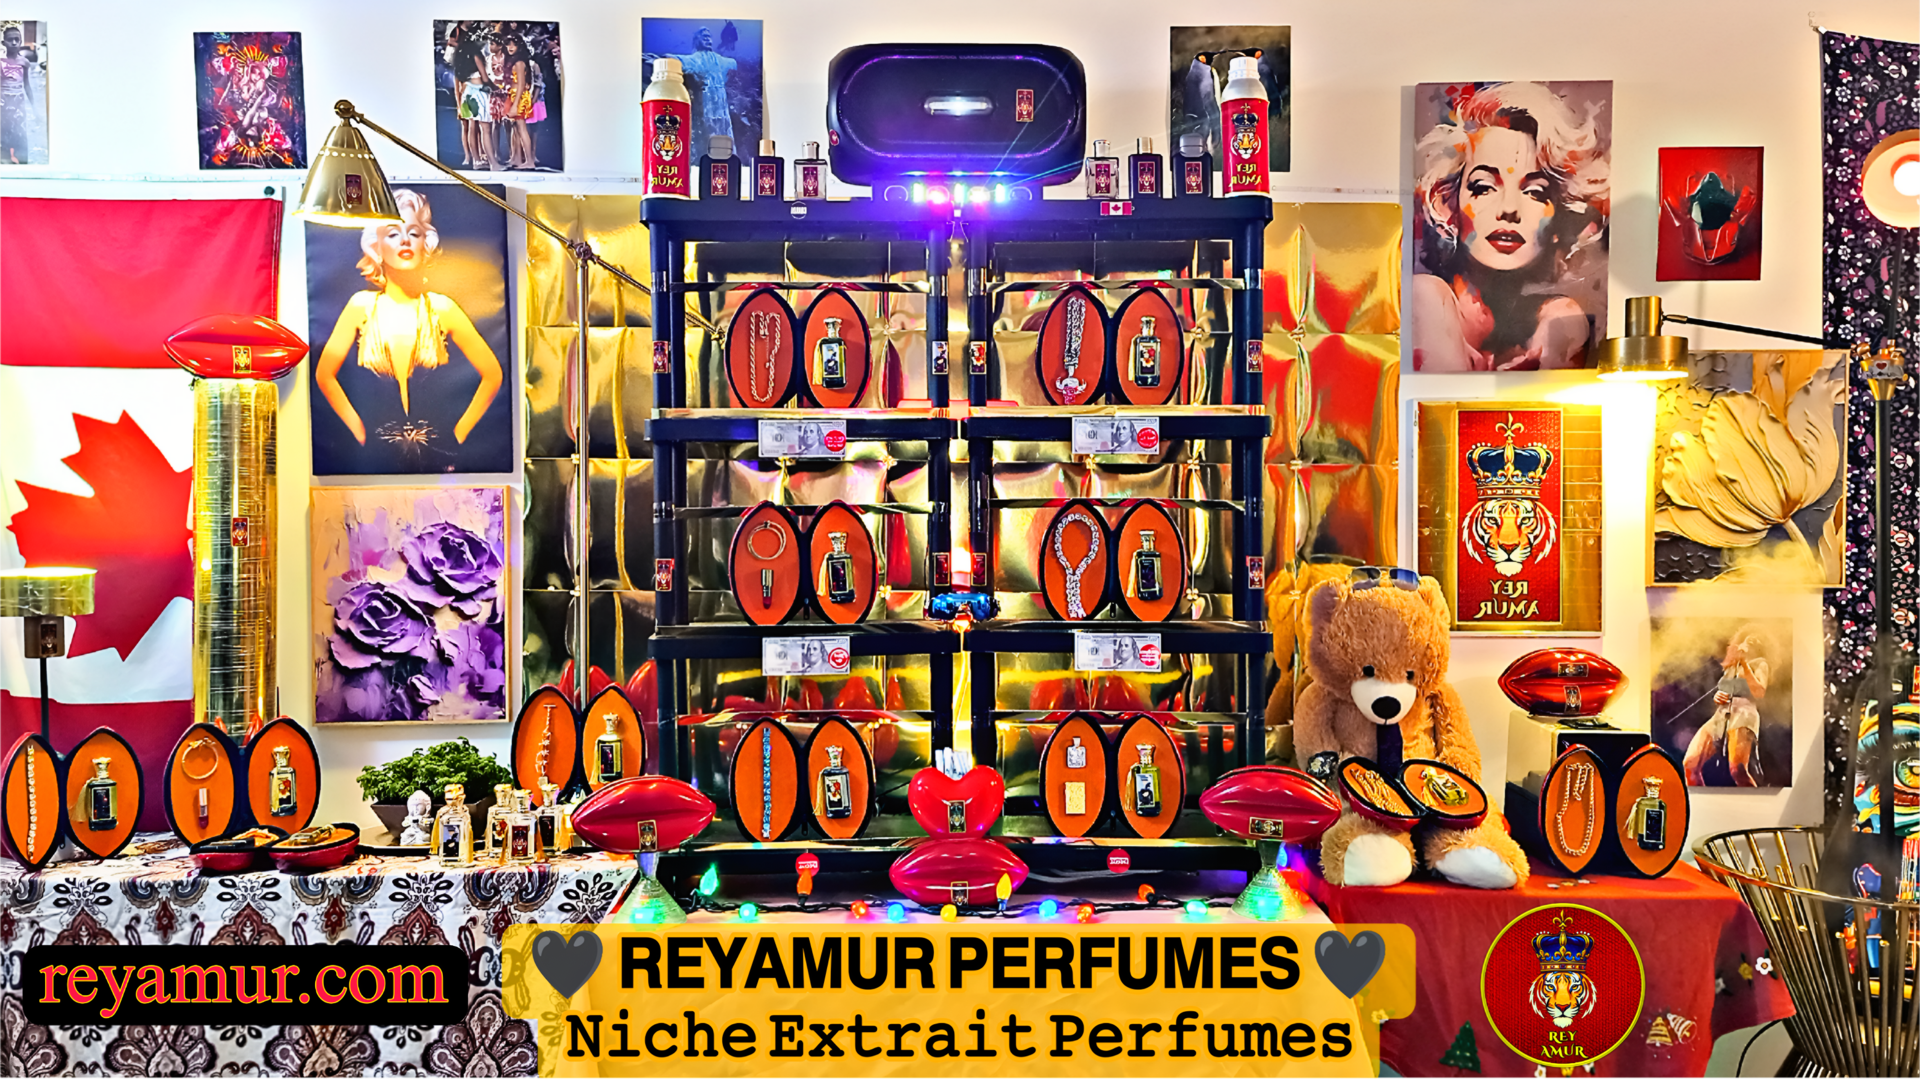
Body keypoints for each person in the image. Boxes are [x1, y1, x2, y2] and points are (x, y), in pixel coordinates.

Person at [1410, 82, 1609, 371]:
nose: (1509, 209)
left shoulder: (1561, 318)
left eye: (1535, 192)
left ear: (1560, 218)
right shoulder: (1425, 296)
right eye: (1484, 187)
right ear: (1448, 205)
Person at [313, 189, 503, 469]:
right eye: (393, 234)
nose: (405, 240)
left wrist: (458, 434)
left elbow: (493, 374)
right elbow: (324, 374)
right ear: (376, 247)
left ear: (425, 243)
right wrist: (360, 432)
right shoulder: (361, 306)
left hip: (439, 459)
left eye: (413, 233)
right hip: (374, 460)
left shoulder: (442, 308)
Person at [1684, 625, 1773, 787]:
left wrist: (1744, 664)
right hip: (1721, 714)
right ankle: (1698, 797)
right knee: (1691, 763)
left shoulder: (1760, 664)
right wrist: (1718, 696)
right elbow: (1724, 690)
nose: (1751, 642)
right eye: (1748, 639)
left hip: (1743, 713)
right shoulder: (1731, 667)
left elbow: (1759, 691)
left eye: (1755, 641)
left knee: (1738, 770)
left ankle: (1753, 799)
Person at [662, 25, 739, 145]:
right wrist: (664, 59)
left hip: (721, 106)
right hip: (705, 103)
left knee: (724, 132)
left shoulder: (719, 60)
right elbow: (680, 60)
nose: (708, 39)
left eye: (709, 37)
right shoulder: (696, 59)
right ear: (697, 40)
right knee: (707, 135)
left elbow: (732, 63)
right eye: (704, 37)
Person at [0, 23, 36, 165]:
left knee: (19, 134)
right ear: (3, 43)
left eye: (17, 39)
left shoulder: (24, 62)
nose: (14, 42)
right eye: (10, 39)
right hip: (2, 105)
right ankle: (4, 165)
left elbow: (26, 85)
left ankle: (21, 164)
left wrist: (34, 108)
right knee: (3, 134)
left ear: (21, 42)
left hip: (18, 106)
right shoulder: (0, 62)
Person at [502, 34, 535, 169]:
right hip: (513, 94)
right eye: (508, 44)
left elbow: (521, 84)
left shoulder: (520, 63)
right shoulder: (513, 61)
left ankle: (529, 161)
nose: (510, 47)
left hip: (519, 96)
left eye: (514, 44)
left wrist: (515, 105)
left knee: (521, 128)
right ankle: (516, 159)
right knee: (515, 128)